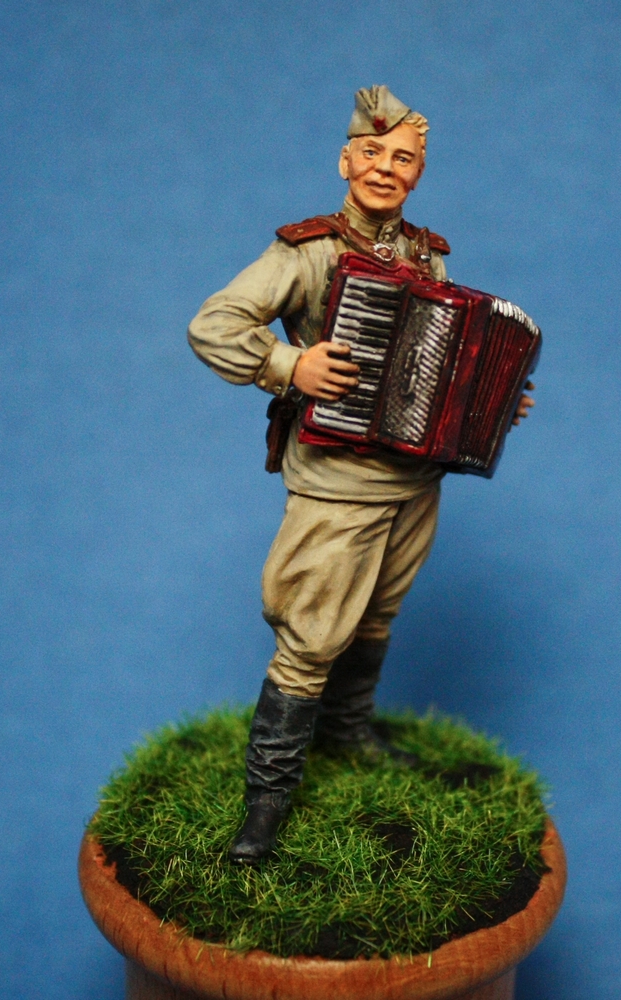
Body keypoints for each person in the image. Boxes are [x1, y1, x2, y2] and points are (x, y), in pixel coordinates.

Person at [187, 85, 534, 864]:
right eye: (371, 152)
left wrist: (490, 399)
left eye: (402, 158)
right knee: (311, 637)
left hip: (413, 483)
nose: (385, 167)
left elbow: (441, 361)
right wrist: (288, 366)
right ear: (346, 161)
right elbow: (213, 325)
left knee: (377, 615)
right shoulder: (308, 251)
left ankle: (347, 737)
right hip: (338, 487)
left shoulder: (429, 254)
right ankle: (264, 811)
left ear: (418, 174)